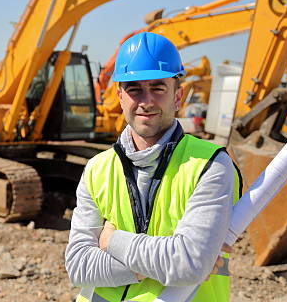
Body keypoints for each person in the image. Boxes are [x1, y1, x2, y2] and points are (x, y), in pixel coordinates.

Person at [65, 32, 242, 302]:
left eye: (158, 88)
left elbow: (190, 264)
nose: (146, 101)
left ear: (178, 96)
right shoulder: (97, 169)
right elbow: (78, 267)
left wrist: (111, 241)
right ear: (120, 97)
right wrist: (163, 265)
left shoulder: (210, 164)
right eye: (134, 89)